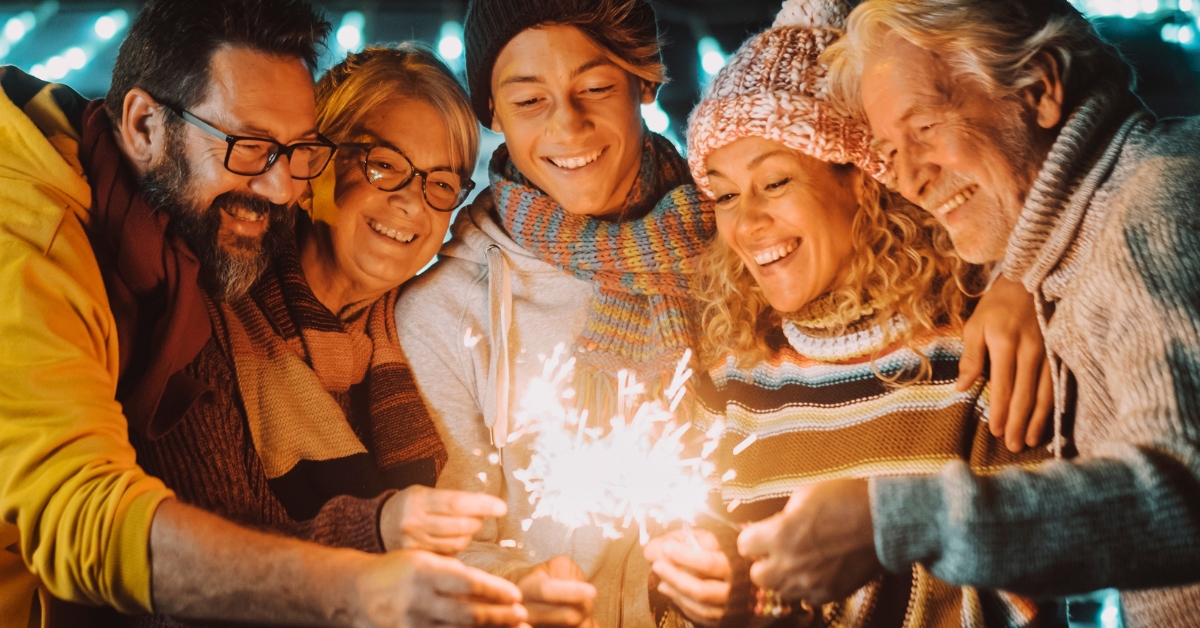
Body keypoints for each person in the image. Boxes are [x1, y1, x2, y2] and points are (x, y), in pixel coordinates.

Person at [0, 2, 525, 626]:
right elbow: (86, 515)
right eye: (248, 147)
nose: (283, 188)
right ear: (144, 125)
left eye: (297, 151)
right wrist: (359, 586)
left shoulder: (186, 253)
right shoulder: (41, 242)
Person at [737, 0, 1200, 625]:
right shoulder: (1076, 237)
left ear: (1039, 87)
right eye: (887, 151)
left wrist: (893, 521)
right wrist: (1016, 278)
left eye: (924, 128)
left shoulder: (1156, 206)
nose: (911, 181)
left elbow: (1184, 491)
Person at [642, 1, 1048, 626]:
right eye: (723, 194)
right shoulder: (733, 381)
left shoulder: (977, 355)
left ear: (861, 181)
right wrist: (703, 599)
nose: (746, 224)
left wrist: (786, 602)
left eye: (774, 182)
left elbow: (1019, 594)